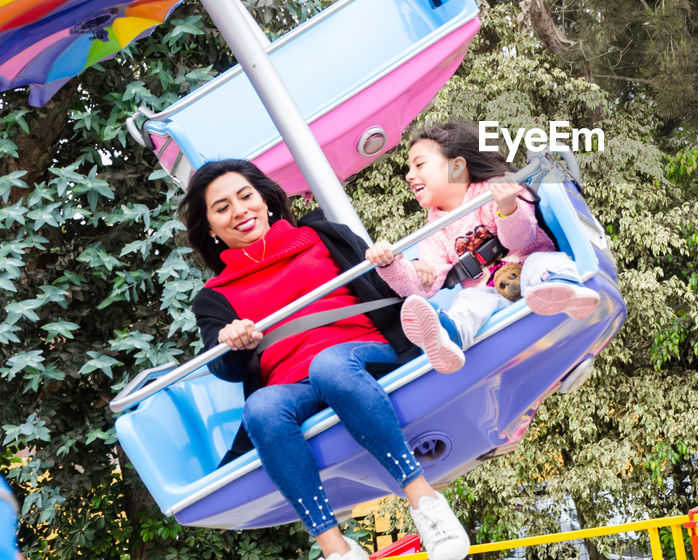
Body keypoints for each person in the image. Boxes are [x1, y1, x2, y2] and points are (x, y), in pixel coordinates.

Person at [181, 159, 468, 560]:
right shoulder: (215, 296)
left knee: (330, 365)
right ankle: (336, 547)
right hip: (291, 386)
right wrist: (233, 342)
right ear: (210, 227)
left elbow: (382, 285)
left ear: (265, 198)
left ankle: (425, 502)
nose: (240, 211)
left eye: (245, 196)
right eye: (222, 207)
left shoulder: (320, 236)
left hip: (363, 355)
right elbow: (224, 367)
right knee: (260, 408)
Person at [365, 122, 599, 373]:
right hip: (491, 295)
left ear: (456, 167)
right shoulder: (434, 230)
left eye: (419, 165)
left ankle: (565, 289)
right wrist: (389, 264)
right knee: (469, 300)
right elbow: (424, 285)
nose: (409, 175)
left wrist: (507, 208)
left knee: (542, 263)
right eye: (410, 167)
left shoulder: (496, 189)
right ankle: (449, 337)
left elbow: (519, 240)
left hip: (531, 272)